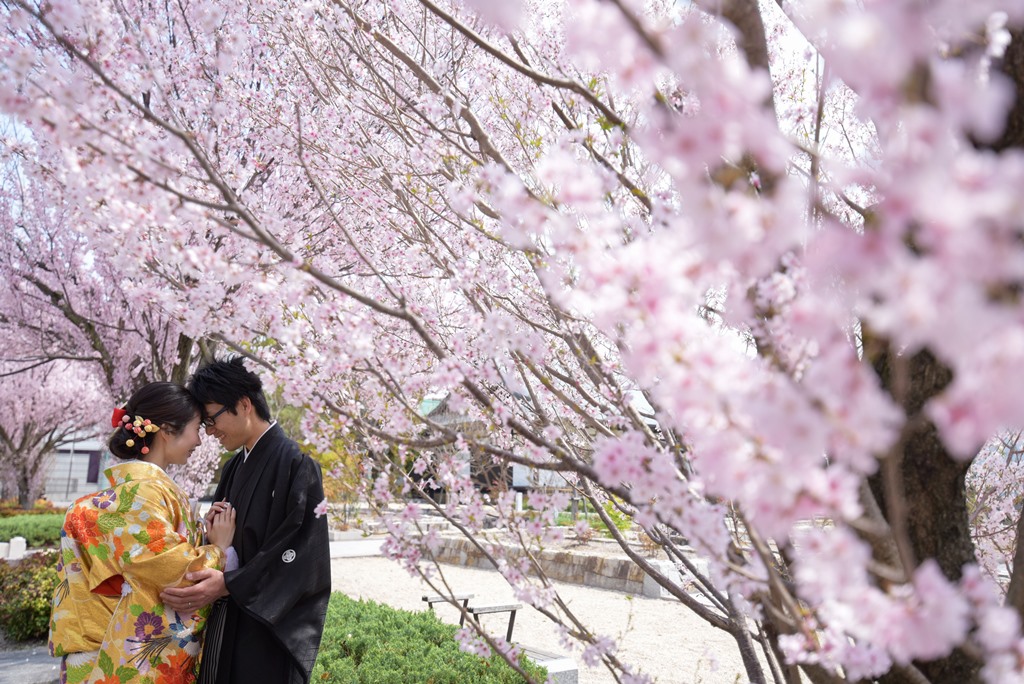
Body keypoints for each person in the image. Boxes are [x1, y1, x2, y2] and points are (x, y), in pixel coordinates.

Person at [49, 382, 236, 684]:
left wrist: (202, 531)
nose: (199, 441)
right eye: (196, 428)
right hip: (112, 655)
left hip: (100, 647)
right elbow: (171, 572)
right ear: (166, 429)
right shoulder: (143, 493)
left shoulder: (136, 493)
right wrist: (217, 547)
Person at [160, 357, 331, 684]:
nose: (210, 432)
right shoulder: (233, 468)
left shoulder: (298, 465)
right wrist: (211, 543)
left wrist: (228, 583)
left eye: (212, 420)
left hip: (264, 629)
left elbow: (301, 556)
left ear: (243, 404)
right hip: (225, 619)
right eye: (205, 424)